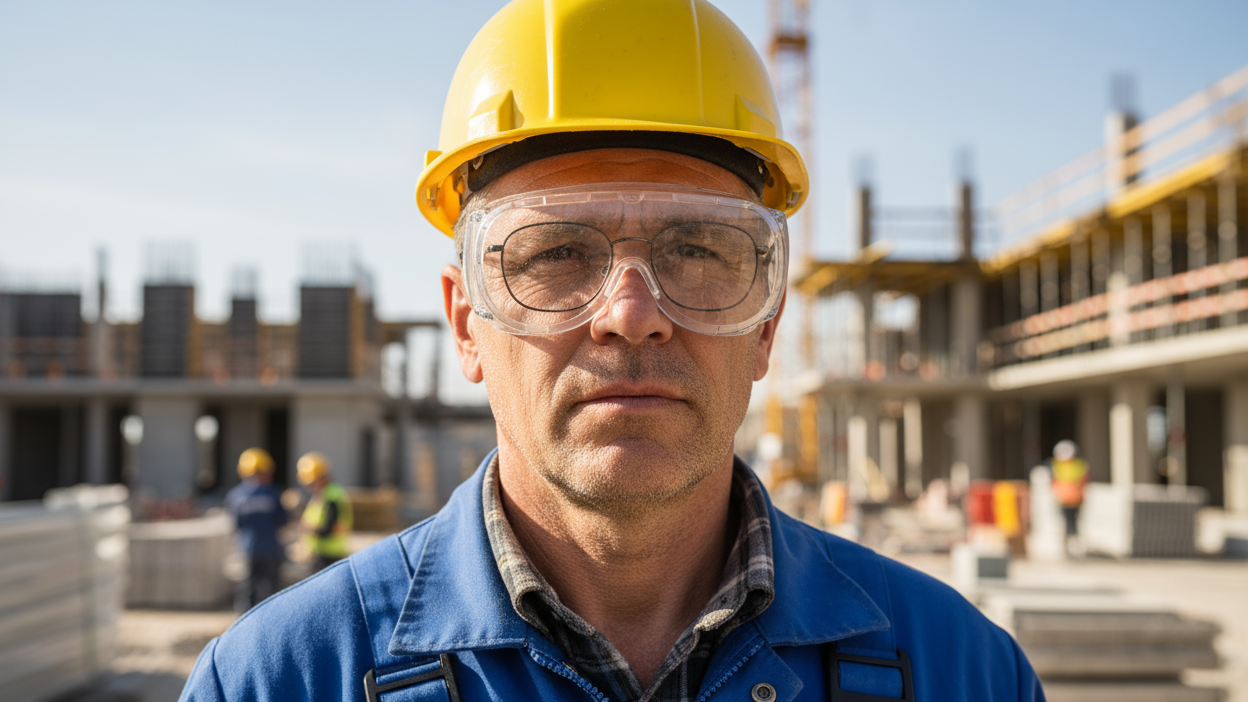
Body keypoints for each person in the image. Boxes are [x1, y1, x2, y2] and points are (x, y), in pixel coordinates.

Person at [182, 1, 1044, 700]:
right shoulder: (276, 682)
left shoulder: (964, 674)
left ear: (768, 326)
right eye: (556, 253)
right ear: (464, 324)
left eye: (700, 252)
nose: (631, 316)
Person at [222, 447, 288, 612]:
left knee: (247, 591)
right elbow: (283, 521)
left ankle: (244, 626)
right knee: (272, 592)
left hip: (248, 549)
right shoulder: (272, 493)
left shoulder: (235, 495)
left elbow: (235, 523)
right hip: (272, 550)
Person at [296, 451, 353, 572]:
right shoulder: (322, 494)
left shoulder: (332, 496)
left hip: (329, 555)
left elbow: (328, 528)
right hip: (320, 552)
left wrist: (308, 528)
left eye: (311, 482)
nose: (309, 486)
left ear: (321, 477)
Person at [1050, 440, 1089, 555]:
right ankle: (1066, 547)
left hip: (1076, 500)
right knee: (1065, 524)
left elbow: (1083, 482)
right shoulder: (1057, 466)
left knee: (1074, 524)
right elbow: (1055, 483)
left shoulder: (1079, 465)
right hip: (1063, 501)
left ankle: (1074, 547)